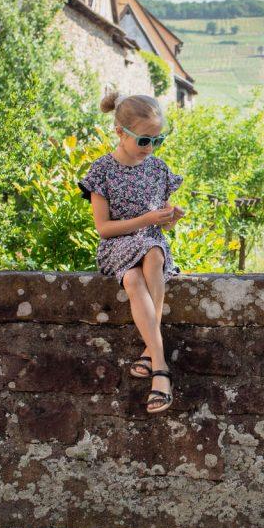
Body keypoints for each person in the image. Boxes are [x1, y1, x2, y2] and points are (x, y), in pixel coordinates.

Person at [78, 92, 185, 414]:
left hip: (152, 244)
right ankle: (160, 362)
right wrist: (147, 220)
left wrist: (169, 218)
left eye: (158, 140)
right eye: (144, 140)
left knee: (145, 266)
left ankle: (150, 354)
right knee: (150, 252)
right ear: (120, 132)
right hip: (117, 245)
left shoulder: (158, 169)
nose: (150, 148)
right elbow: (104, 229)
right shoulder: (102, 171)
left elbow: (162, 225)